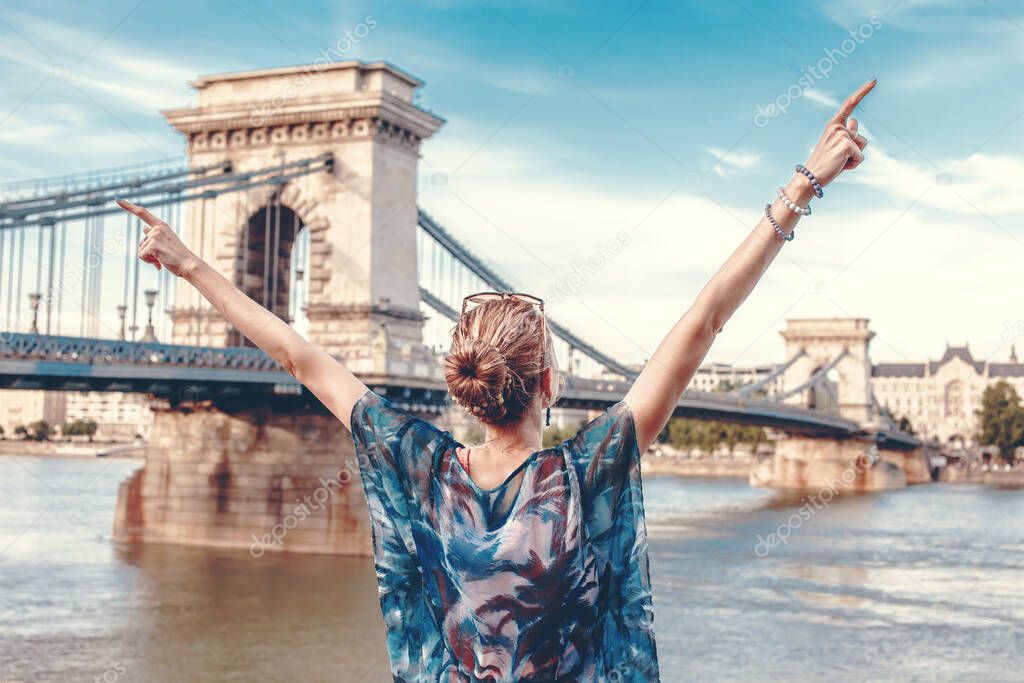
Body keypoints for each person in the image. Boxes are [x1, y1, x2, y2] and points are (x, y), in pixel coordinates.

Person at [117, 78, 875, 682]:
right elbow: (705, 319)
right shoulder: (586, 472)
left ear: (465, 388)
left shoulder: (421, 467)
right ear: (551, 381)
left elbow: (298, 357)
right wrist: (805, 181)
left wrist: (188, 263)